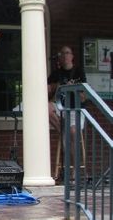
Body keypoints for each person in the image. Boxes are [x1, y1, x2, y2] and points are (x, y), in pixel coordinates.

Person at [47, 46, 86, 177]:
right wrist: (55, 86)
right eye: (62, 53)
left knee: (74, 132)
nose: (64, 56)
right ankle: (63, 131)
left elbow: (84, 96)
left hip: (75, 108)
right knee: (46, 108)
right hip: (60, 107)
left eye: (67, 53)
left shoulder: (79, 72)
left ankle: (75, 170)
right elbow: (46, 91)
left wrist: (73, 89)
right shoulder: (56, 73)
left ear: (72, 56)